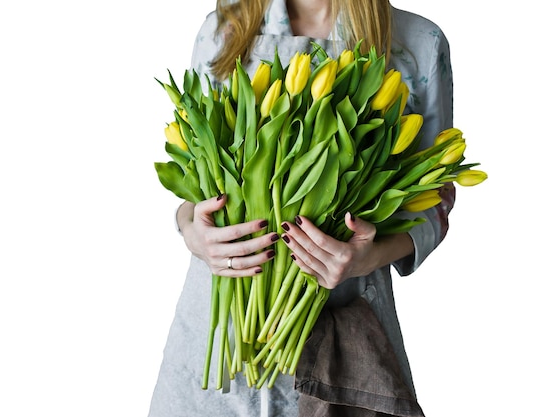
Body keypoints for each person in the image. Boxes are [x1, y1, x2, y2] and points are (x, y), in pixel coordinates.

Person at [149, 0, 455, 416]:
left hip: (344, 331)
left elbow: (436, 196)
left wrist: (369, 257)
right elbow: (197, 180)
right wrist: (193, 232)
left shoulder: (417, 42)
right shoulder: (225, 30)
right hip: (219, 326)